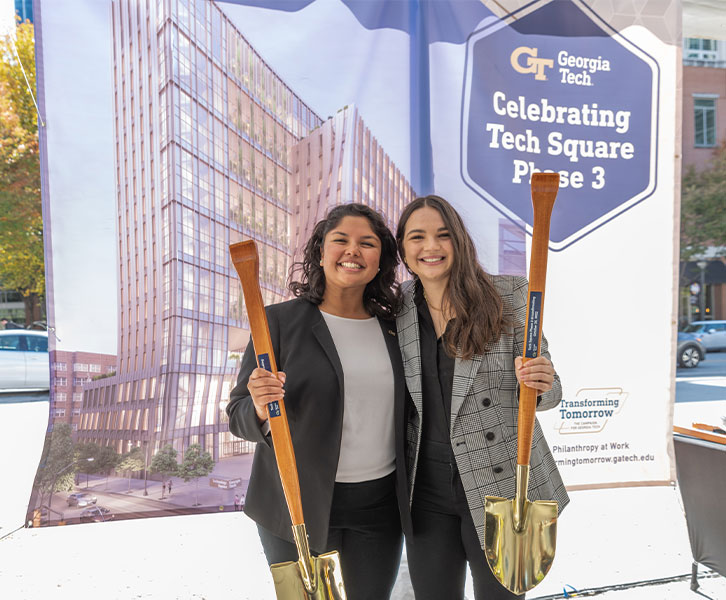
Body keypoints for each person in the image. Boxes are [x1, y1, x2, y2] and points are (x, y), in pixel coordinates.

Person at [226, 204, 410, 600]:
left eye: (367, 243)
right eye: (340, 240)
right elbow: (238, 415)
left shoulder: (396, 329)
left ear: (382, 261)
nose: (352, 251)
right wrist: (258, 407)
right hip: (295, 505)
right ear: (321, 252)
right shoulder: (278, 322)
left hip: (378, 508)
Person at [394, 195, 569, 600]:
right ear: (403, 248)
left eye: (442, 235)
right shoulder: (396, 308)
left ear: (459, 240)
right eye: (417, 237)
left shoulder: (509, 295)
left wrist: (541, 382)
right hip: (427, 492)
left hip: (503, 483)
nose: (431, 247)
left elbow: (551, 389)